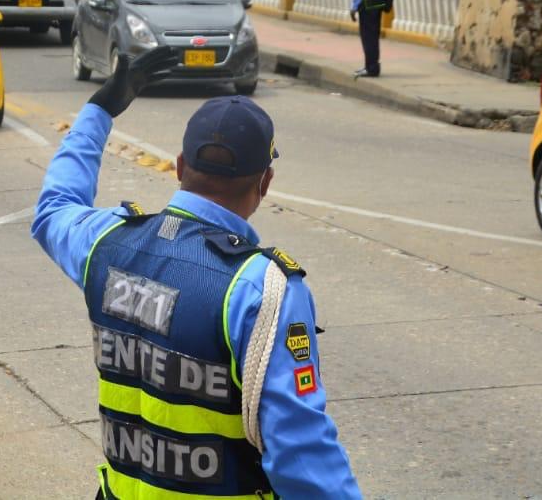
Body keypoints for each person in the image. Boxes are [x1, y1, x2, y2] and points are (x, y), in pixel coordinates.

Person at [34, 47, 362, 499]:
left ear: (180, 166)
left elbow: (53, 209)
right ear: (264, 183)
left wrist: (101, 108)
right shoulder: (259, 289)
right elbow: (301, 456)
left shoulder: (106, 243)